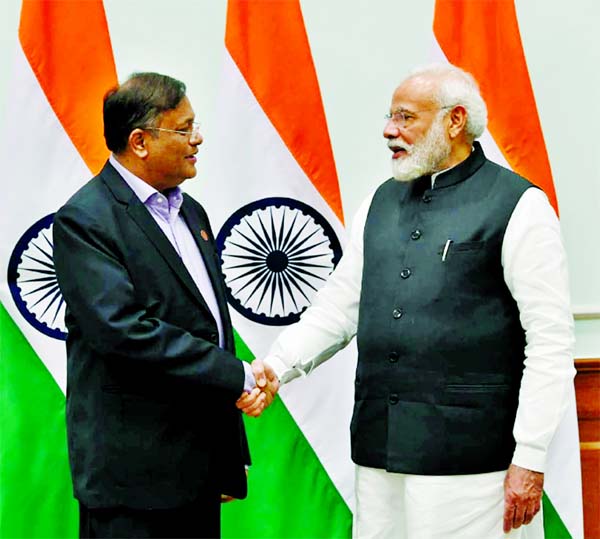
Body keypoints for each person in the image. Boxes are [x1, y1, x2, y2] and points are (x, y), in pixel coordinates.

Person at [240, 64, 575, 538]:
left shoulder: (519, 206)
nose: (388, 130)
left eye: (405, 117)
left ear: (455, 121)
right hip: (381, 452)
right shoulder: (379, 202)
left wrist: (531, 455)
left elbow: (551, 344)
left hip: (473, 463)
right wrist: (277, 365)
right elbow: (340, 307)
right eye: (389, 116)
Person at [53, 72, 277, 539]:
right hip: (132, 482)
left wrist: (229, 454)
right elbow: (124, 331)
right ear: (140, 141)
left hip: (195, 474)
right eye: (184, 128)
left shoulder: (192, 213)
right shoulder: (87, 219)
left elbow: (210, 328)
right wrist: (235, 374)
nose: (198, 138)